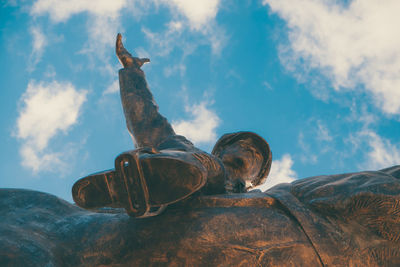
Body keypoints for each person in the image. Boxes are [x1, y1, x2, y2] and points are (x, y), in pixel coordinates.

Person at [72, 34, 272, 218]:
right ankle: (142, 178)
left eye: (258, 158)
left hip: (213, 219)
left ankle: (152, 178)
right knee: (207, 165)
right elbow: (145, 119)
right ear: (223, 148)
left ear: (254, 179)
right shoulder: (186, 148)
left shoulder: (252, 204)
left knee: (214, 171)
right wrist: (133, 72)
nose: (250, 155)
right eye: (246, 147)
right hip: (168, 198)